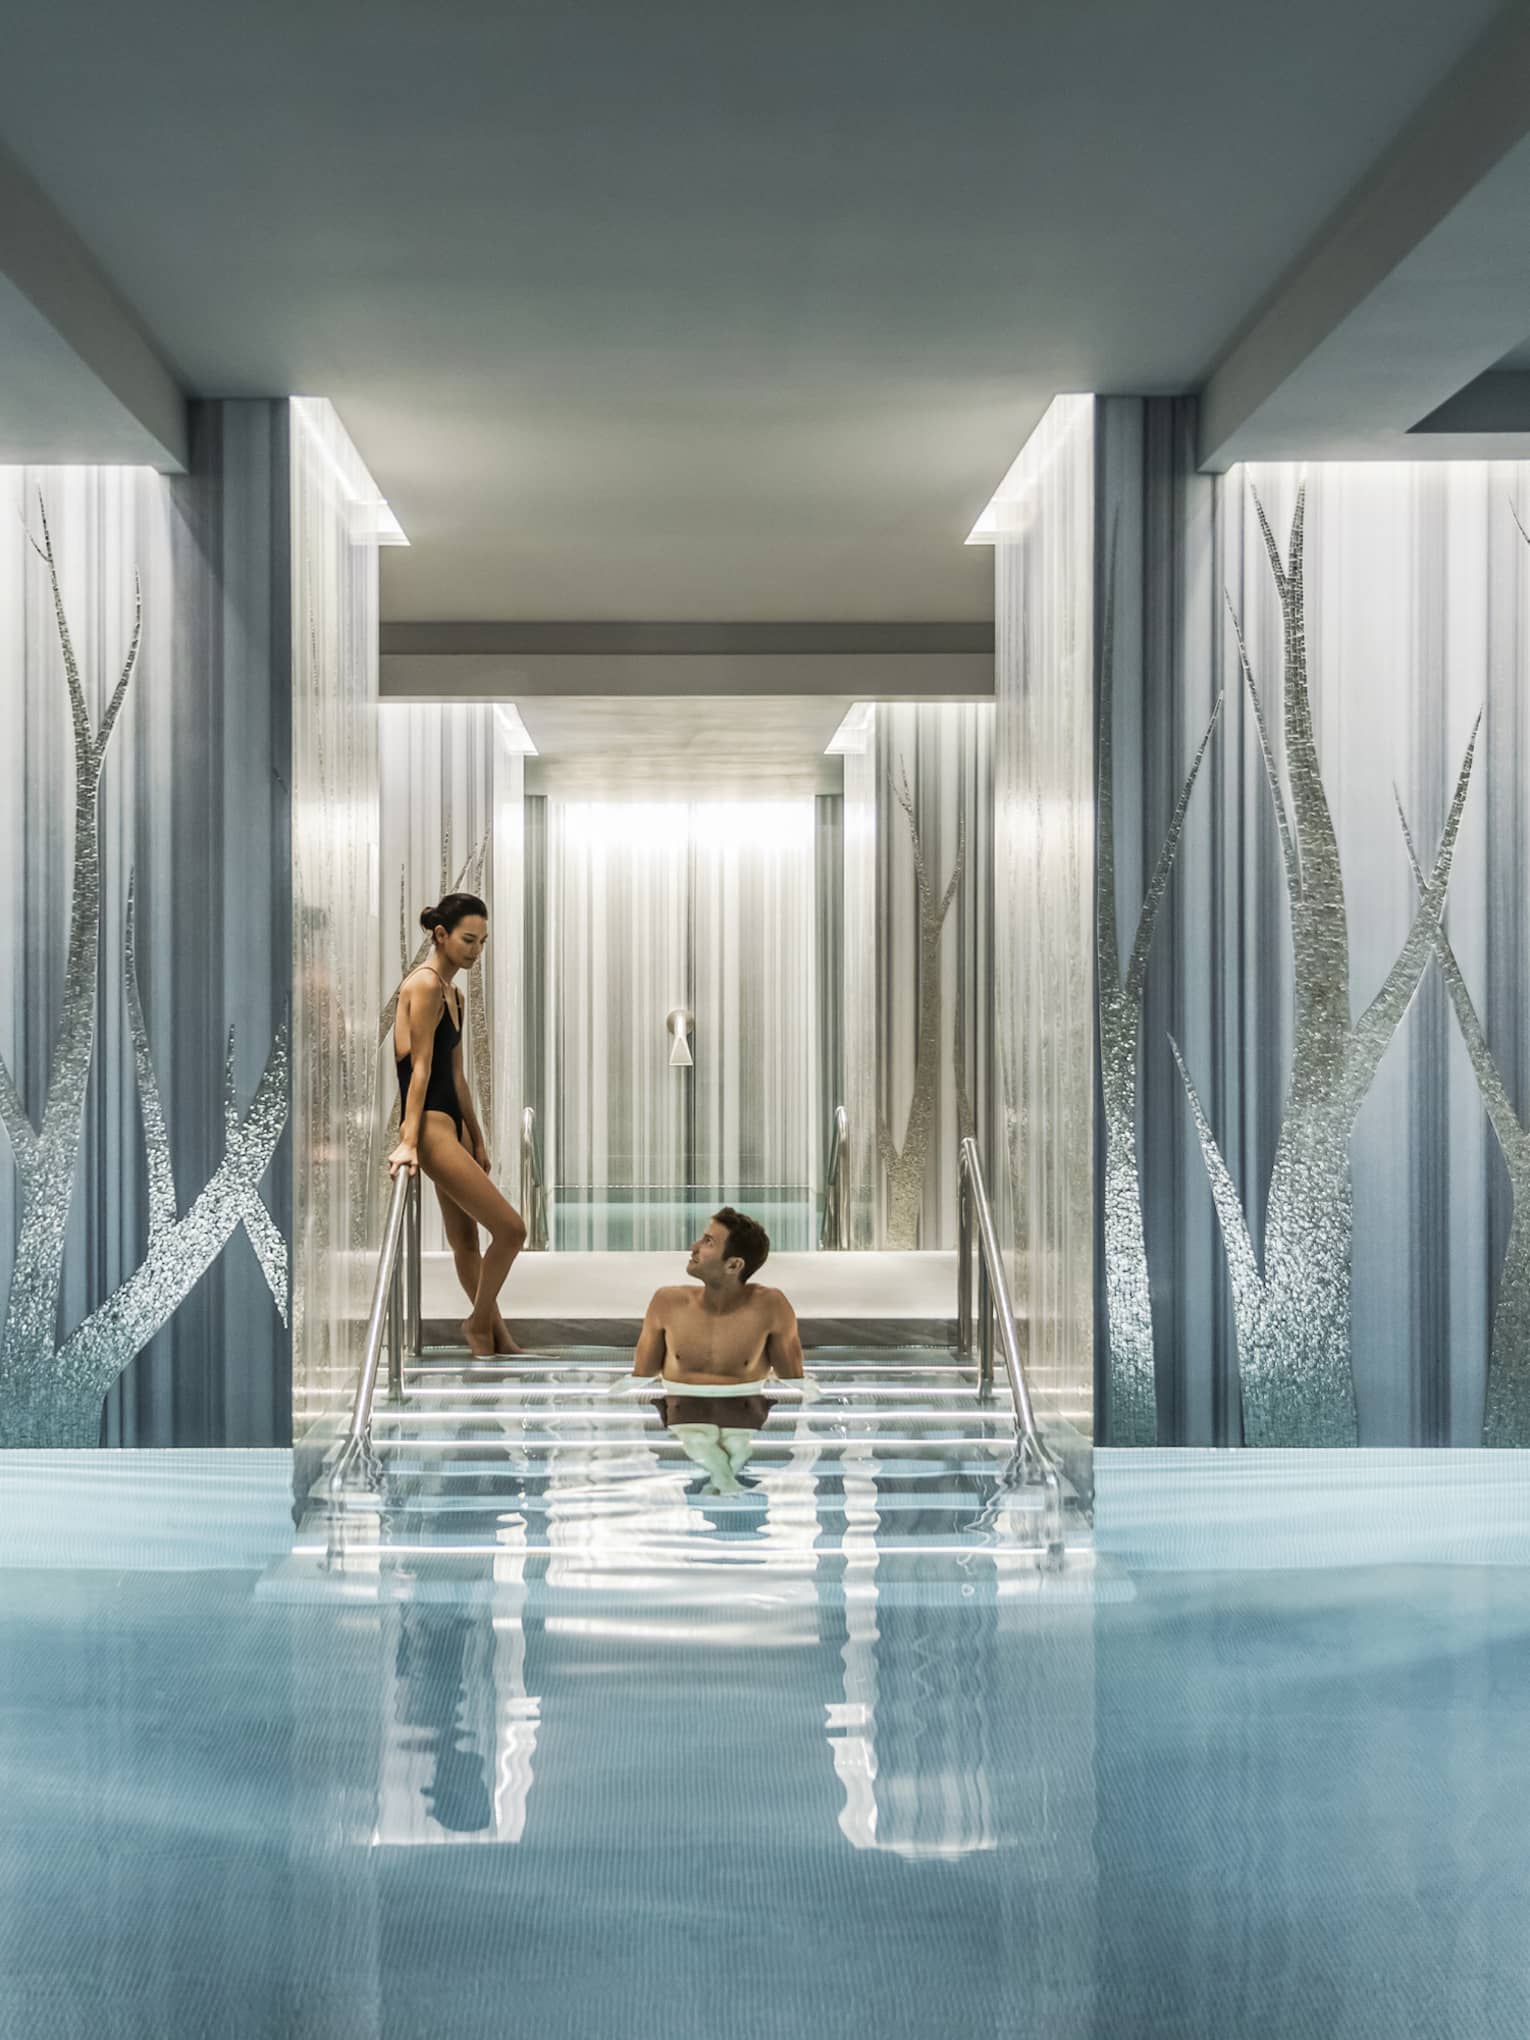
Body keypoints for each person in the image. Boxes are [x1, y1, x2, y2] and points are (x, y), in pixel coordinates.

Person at [388, 891, 526, 1357]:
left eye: (483, 942)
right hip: (429, 1127)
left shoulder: (455, 995)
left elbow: (458, 1077)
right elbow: (420, 1068)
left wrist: (478, 1137)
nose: (476, 951)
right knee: (512, 1231)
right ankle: (478, 1322)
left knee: (466, 1241)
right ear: (441, 935)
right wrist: (409, 1141)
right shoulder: (424, 985)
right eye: (469, 940)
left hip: (454, 1125)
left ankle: (496, 1336)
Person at [620, 1207, 816, 1494]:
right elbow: (642, 1375)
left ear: (733, 1265)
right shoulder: (667, 1302)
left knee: (736, 1441)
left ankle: (722, 1479)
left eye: (708, 1242)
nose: (694, 1246)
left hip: (742, 1404)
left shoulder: (770, 1306)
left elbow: (793, 1379)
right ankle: (726, 1481)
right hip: (685, 1404)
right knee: (700, 1438)